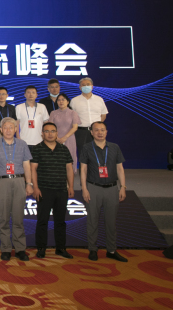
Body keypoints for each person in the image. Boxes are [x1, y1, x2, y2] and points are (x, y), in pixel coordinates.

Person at [0, 117, 33, 262]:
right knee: (4, 218)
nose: (8, 130)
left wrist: (29, 183)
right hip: (1, 182)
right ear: (0, 129)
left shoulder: (22, 144)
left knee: (18, 218)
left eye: (11, 127)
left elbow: (27, 165)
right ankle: (5, 249)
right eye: (5, 127)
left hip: (19, 181)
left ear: (15, 129)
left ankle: (20, 249)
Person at [80, 121, 127, 262]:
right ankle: (92, 249)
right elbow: (83, 169)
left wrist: (123, 187)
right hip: (93, 188)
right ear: (91, 132)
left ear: (106, 132)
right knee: (92, 221)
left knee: (111, 222)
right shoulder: (87, 148)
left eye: (102, 130)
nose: (99, 132)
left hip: (112, 188)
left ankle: (111, 250)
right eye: (96, 130)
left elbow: (120, 168)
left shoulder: (114, 147)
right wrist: (84, 189)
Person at [31, 122, 75, 259]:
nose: (50, 134)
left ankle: (61, 248)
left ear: (57, 133)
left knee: (60, 221)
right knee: (42, 220)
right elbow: (33, 169)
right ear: (42, 134)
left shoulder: (64, 149)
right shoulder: (37, 149)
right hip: (44, 190)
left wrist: (71, 186)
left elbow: (69, 169)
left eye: (53, 131)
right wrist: (35, 187)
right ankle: (41, 248)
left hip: (61, 190)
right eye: (47, 131)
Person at [71, 77, 108, 155]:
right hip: (81, 132)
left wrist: (97, 126)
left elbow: (103, 115)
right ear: (80, 87)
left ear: (92, 86)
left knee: (98, 153)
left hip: (97, 131)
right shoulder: (74, 101)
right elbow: (72, 117)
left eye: (88, 84)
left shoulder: (99, 99)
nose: (86, 86)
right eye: (83, 85)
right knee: (83, 154)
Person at [47, 94, 81, 169]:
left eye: (63, 99)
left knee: (69, 159)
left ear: (68, 102)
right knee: (56, 159)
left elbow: (75, 127)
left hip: (69, 138)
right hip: (56, 139)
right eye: (59, 100)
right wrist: (57, 138)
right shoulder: (53, 113)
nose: (61, 101)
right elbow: (51, 127)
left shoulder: (73, 113)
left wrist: (64, 138)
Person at [15, 86, 49, 150]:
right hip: (24, 141)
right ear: (25, 95)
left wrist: (45, 137)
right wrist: (18, 137)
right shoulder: (19, 107)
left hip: (39, 140)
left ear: (36, 95)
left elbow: (46, 123)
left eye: (33, 92)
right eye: (28, 92)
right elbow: (16, 124)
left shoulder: (42, 107)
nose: (31, 94)